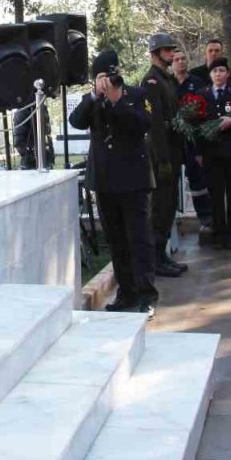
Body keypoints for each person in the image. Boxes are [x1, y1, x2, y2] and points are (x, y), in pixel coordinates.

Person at [69, 49, 159, 316]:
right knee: (117, 240)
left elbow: (144, 123)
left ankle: (146, 295)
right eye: (100, 76)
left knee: (139, 240)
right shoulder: (92, 100)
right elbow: (77, 121)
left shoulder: (137, 95)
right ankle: (126, 293)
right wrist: (95, 95)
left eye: (109, 74)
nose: (106, 80)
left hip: (134, 179)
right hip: (106, 180)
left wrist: (118, 101)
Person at [194, 58, 231, 249]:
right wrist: (198, 152)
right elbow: (195, 125)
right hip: (212, 154)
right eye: (215, 71)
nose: (218, 74)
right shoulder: (201, 95)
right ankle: (219, 235)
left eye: (222, 70)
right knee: (216, 195)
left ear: (228, 73)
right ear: (210, 75)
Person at [143, 33, 188, 276]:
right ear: (155, 54)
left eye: (172, 49)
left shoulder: (167, 79)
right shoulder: (151, 81)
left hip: (173, 149)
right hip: (161, 153)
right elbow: (155, 124)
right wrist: (161, 159)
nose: (172, 53)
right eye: (167, 50)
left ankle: (163, 255)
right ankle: (156, 260)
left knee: (169, 206)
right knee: (160, 208)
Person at [173, 48, 213, 221]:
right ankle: (172, 219)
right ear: (172, 63)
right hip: (173, 139)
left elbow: (205, 110)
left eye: (183, 58)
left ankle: (205, 217)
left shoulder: (197, 82)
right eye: (177, 59)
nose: (181, 62)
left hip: (194, 139)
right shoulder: (167, 83)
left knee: (198, 179)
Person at [13, 101, 54, 169]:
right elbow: (19, 140)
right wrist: (31, 155)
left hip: (45, 157)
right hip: (31, 161)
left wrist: (50, 154)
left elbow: (47, 134)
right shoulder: (22, 111)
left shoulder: (42, 107)